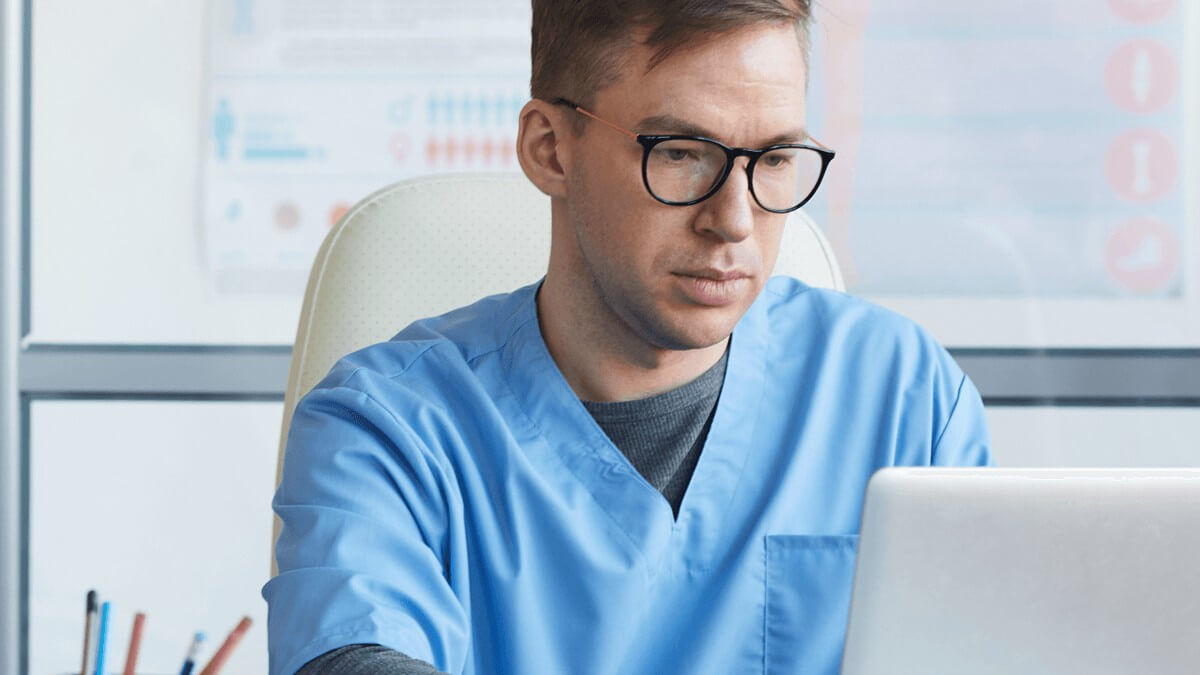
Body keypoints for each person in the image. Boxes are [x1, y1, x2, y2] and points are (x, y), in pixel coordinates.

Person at [264, 1, 992, 673]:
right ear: (550, 148)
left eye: (772, 159)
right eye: (681, 152)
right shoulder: (385, 427)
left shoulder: (905, 397)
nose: (735, 220)